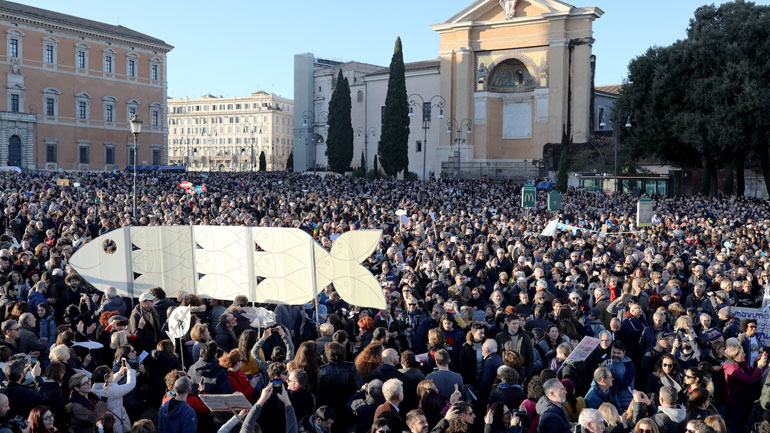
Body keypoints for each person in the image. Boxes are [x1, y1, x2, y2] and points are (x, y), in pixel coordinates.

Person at [91, 364, 136, 433]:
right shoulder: (112, 390)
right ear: (107, 377)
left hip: (106, 419)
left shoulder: (95, 386)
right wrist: (130, 371)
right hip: (116, 422)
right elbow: (130, 385)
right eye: (111, 372)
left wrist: (119, 373)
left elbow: (109, 382)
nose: (112, 372)